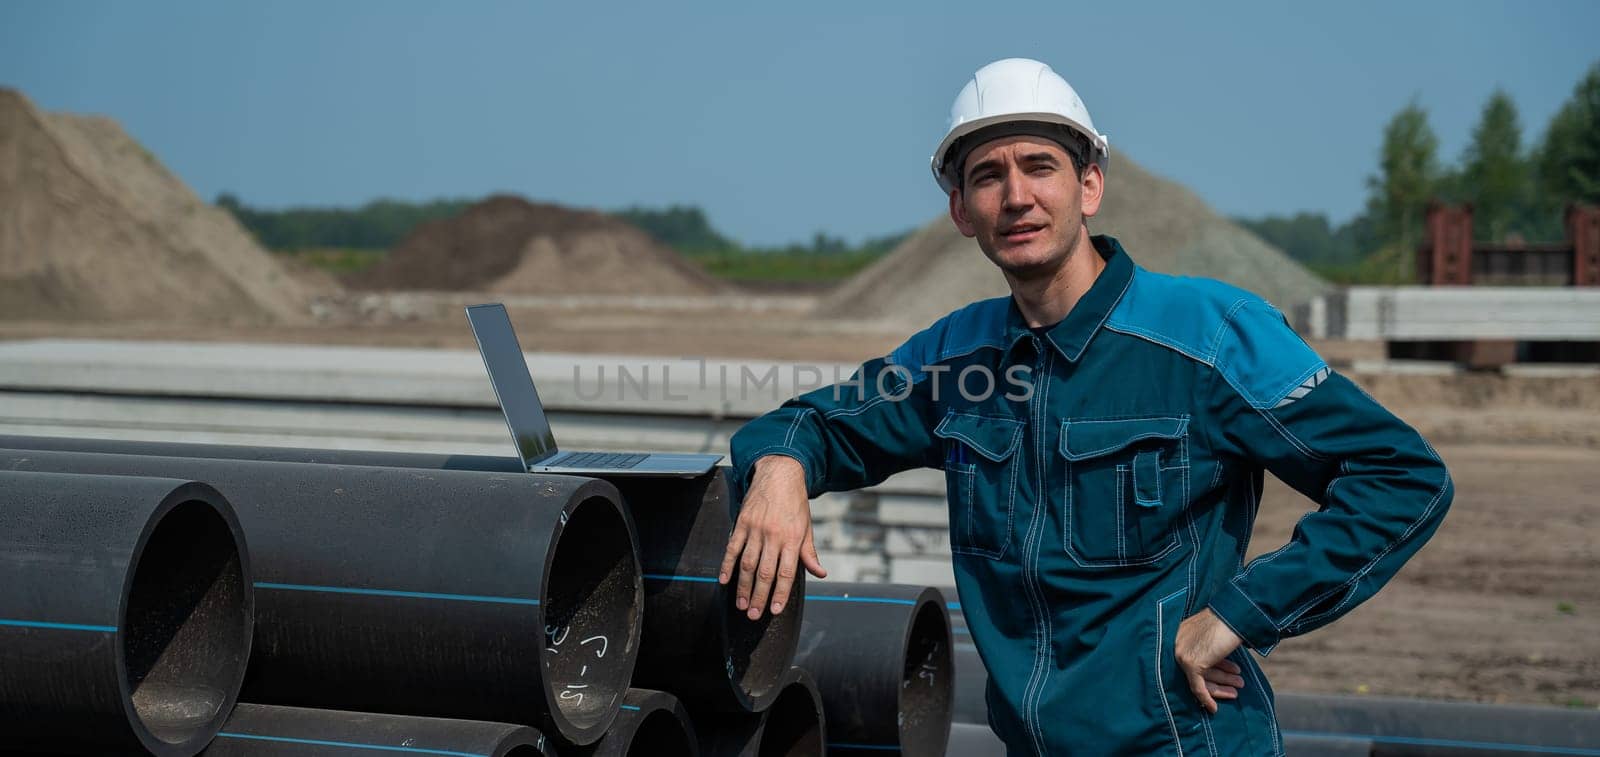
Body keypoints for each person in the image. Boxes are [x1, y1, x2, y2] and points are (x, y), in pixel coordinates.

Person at [718, 58, 1453, 755]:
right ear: (961, 210)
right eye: (987, 177)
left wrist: (1240, 612)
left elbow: (1400, 475)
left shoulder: (1209, 337)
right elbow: (815, 421)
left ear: (1089, 184)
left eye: (1039, 166)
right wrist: (781, 463)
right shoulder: (958, 362)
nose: (1016, 196)